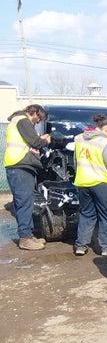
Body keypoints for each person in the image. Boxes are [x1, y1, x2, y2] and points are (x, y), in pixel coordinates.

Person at [72, 113, 107, 257]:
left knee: (87, 214)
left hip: (83, 182)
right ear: (106, 128)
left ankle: (81, 246)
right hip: (101, 184)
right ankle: (106, 248)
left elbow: (76, 162)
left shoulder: (79, 139)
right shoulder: (105, 143)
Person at [4, 104, 51, 251]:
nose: (38, 121)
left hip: (17, 165)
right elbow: (35, 142)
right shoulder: (23, 120)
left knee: (24, 201)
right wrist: (45, 140)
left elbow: (28, 142)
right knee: (24, 202)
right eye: (39, 118)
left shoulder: (17, 121)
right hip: (20, 165)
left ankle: (28, 235)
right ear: (34, 112)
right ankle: (25, 238)